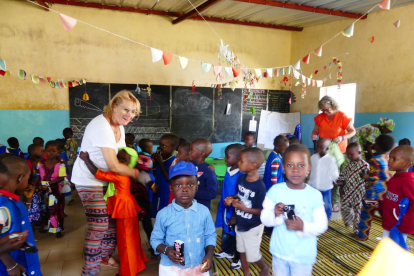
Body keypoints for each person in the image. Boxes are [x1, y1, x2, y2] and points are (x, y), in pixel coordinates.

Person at [71, 90, 140, 275]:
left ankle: (103, 255)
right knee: (99, 224)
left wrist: (137, 160)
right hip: (88, 179)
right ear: (113, 106)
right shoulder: (101, 126)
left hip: (107, 181)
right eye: (126, 109)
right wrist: (137, 173)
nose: (130, 115)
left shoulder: (121, 127)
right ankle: (90, 270)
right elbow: (114, 165)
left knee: (110, 221)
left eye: (133, 112)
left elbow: (121, 156)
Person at [261, 144, 328, 276]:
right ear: (284, 168)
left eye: (301, 165)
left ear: (309, 168)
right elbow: (265, 219)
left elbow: (322, 225)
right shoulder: (275, 191)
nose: (295, 170)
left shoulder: (314, 195)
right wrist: (274, 214)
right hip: (280, 253)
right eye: (290, 165)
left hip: (303, 255)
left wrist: (303, 226)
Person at [79, 148, 149, 276]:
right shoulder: (125, 173)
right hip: (126, 206)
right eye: (117, 158)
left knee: (126, 241)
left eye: (123, 160)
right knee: (131, 239)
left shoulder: (121, 174)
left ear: (129, 164)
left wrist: (86, 159)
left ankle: (128, 272)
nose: (118, 161)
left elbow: (99, 174)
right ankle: (135, 265)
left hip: (124, 209)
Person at [150, 161, 216, 276]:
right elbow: (155, 240)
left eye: (190, 185)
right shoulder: (164, 214)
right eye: (178, 185)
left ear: (196, 187)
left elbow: (210, 235)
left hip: (198, 265)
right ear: (171, 188)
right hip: (172, 269)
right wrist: (167, 250)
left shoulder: (204, 211)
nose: (184, 189)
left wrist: (209, 255)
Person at [224, 148, 269, 276]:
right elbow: (239, 196)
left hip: (253, 226)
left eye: (241, 161)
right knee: (241, 250)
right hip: (240, 222)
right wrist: (232, 198)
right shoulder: (241, 179)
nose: (238, 163)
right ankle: (246, 273)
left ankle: (264, 268)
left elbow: (262, 210)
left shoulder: (260, 187)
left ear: (252, 165)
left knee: (253, 255)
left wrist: (245, 209)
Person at [312, 96, 356, 212]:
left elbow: (353, 131)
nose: (326, 112)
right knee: (323, 176)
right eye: (323, 110)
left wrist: (342, 137)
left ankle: (335, 202)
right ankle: (323, 200)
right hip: (324, 151)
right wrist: (314, 135)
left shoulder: (342, 116)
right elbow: (315, 131)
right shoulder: (320, 118)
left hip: (338, 152)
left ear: (333, 106)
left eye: (328, 109)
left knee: (335, 177)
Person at [0, 156, 42, 276]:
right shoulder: (3, 203)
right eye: (28, 178)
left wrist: (28, 200)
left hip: (24, 261)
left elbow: (18, 220)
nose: (28, 182)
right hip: (13, 265)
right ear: (20, 178)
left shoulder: (13, 198)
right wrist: (10, 264)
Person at [351, 134, 394, 241]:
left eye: (375, 143)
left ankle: (362, 236)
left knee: (366, 213)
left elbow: (373, 177)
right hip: (384, 195)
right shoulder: (387, 158)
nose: (373, 144)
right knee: (384, 214)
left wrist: (364, 175)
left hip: (372, 196)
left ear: (378, 146)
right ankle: (392, 236)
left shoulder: (375, 159)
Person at [214, 144, 244, 270]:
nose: (225, 159)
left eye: (227, 156)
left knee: (236, 234)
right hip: (225, 207)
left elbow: (241, 196)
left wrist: (234, 215)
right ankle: (227, 251)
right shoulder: (229, 170)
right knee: (226, 231)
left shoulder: (241, 175)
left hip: (235, 211)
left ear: (237, 159)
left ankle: (237, 258)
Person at [381, 145, 414, 242]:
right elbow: (388, 196)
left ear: (407, 164)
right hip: (389, 222)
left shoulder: (408, 181)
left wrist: (405, 225)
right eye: (390, 157)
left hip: (399, 226)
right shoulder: (395, 178)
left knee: (396, 250)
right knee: (387, 246)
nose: (389, 161)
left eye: (394, 159)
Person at [336, 143, 370, 232]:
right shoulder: (348, 165)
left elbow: (368, 180)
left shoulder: (364, 165)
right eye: (348, 154)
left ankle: (356, 230)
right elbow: (343, 176)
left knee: (358, 212)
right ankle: (350, 219)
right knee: (344, 207)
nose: (349, 156)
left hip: (359, 193)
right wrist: (339, 182)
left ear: (359, 153)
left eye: (351, 154)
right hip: (348, 191)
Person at [38, 140, 66, 238]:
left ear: (58, 152)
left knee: (55, 209)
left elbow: (61, 177)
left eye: (54, 151)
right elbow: (38, 175)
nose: (51, 153)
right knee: (44, 208)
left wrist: (49, 184)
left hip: (55, 190)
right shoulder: (41, 163)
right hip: (43, 189)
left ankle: (57, 228)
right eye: (49, 151)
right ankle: (46, 225)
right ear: (45, 151)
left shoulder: (60, 164)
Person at [309, 138, 339, 220]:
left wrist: (337, 180)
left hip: (326, 187)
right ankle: (314, 219)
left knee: (326, 205)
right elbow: (310, 169)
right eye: (318, 147)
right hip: (314, 186)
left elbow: (334, 173)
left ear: (327, 148)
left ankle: (327, 218)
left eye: (321, 147)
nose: (318, 149)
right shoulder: (313, 157)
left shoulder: (331, 160)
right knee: (314, 204)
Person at [151, 133, 178, 217]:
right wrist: (155, 163)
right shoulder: (161, 158)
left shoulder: (174, 161)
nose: (161, 148)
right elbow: (156, 172)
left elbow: (169, 178)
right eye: (160, 145)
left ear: (173, 148)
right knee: (156, 211)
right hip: (158, 188)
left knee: (164, 211)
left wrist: (161, 163)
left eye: (164, 146)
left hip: (166, 191)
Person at [189, 138, 218, 210]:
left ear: (201, 154)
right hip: (188, 206)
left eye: (192, 150)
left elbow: (212, 194)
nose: (189, 152)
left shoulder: (209, 171)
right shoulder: (189, 166)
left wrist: (192, 192)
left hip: (202, 208)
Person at [26, 144, 44, 225]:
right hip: (31, 188)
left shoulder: (43, 162)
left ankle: (40, 220)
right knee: (33, 205)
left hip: (41, 188)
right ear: (33, 152)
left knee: (41, 204)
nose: (43, 152)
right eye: (41, 150)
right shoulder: (27, 163)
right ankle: (33, 221)